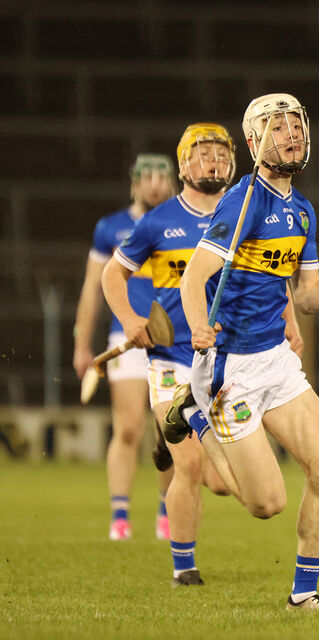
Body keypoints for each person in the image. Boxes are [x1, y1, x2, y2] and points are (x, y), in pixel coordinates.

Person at [166, 93, 319, 610]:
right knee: (267, 505)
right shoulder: (242, 203)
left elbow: (304, 295)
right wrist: (196, 326)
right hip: (230, 366)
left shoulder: (302, 211)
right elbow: (194, 279)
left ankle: (303, 596)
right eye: (277, 126)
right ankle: (195, 415)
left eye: (295, 123)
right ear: (255, 141)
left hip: (276, 359)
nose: (291, 133)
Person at [101, 123, 261, 586]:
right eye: (203, 153)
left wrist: (288, 321)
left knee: (220, 481)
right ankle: (184, 568)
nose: (213, 161)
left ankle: (164, 445)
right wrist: (131, 321)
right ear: (184, 164)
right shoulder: (157, 221)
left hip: (227, 363)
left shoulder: (245, 215)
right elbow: (113, 277)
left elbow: (267, 275)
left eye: (220, 153)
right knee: (190, 465)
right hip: (171, 361)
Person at [73, 153, 176, 541]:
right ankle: (120, 515)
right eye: (146, 177)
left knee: (167, 429)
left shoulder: (180, 222)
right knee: (129, 427)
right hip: (126, 339)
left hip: (171, 339)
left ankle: (167, 510)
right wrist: (82, 343)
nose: (154, 184)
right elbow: (91, 289)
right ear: (133, 184)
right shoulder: (110, 229)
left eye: (162, 177)